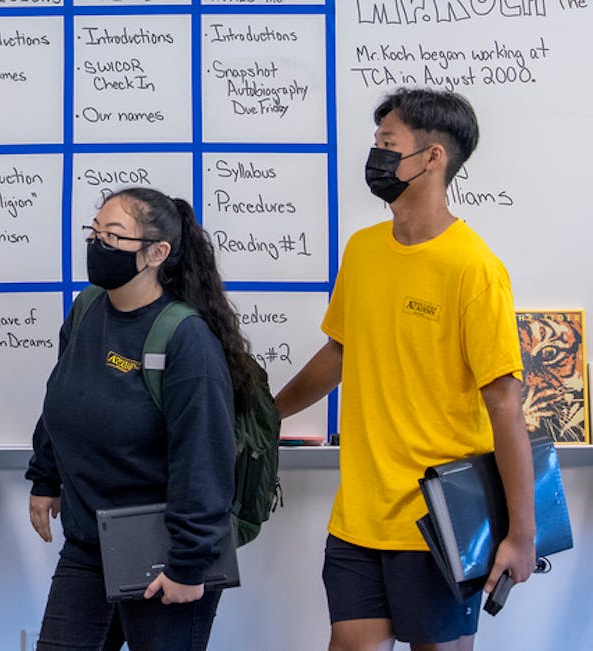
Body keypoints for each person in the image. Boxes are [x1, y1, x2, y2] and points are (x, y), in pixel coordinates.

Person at [275, 89, 535, 651]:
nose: (377, 157)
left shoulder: (474, 268)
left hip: (439, 518)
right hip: (358, 516)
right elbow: (340, 353)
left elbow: (505, 404)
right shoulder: (363, 250)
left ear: (433, 156)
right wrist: (266, 413)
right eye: (377, 145)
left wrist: (521, 533)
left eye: (388, 145)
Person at [27, 187, 260, 651]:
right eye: (94, 233)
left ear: (157, 253)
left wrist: (188, 565)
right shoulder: (88, 307)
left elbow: (204, 462)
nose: (98, 246)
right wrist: (45, 477)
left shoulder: (185, 338)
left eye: (113, 237)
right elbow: (62, 398)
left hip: (166, 552)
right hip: (89, 542)